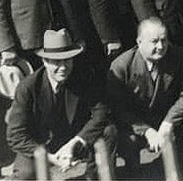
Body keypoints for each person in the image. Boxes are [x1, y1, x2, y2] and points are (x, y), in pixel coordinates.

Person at [7, 28, 113, 179]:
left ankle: (93, 177)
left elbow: (101, 112)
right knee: (25, 174)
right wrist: (49, 157)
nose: (63, 67)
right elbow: (15, 135)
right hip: (41, 145)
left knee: (109, 131)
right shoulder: (27, 87)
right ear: (45, 61)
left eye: (67, 60)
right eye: (56, 62)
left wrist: (76, 142)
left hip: (74, 140)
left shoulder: (85, 77)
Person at [106, 17, 183, 171]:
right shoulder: (120, 66)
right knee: (125, 140)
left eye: (164, 40)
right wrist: (146, 131)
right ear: (139, 42)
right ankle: (133, 165)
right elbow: (118, 109)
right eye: (154, 41)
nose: (161, 46)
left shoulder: (179, 56)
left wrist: (168, 122)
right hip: (136, 125)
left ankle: (171, 161)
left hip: (165, 119)